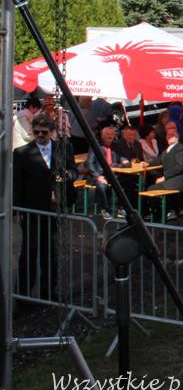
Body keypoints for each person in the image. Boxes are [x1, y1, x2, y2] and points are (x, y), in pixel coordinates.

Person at [13, 113, 78, 301]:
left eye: (44, 132)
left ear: (51, 131)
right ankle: (23, 293)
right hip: (32, 209)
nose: (40, 135)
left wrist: (66, 176)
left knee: (51, 252)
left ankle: (48, 291)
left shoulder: (63, 148)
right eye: (36, 132)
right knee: (29, 251)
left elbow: (74, 172)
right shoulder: (22, 153)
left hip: (55, 208)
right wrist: (16, 210)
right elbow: (16, 183)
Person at [147, 122, 183, 219]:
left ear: (177, 137)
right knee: (150, 186)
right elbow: (159, 160)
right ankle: (160, 212)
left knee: (151, 189)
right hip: (170, 179)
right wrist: (147, 164)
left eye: (172, 135)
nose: (169, 137)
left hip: (177, 180)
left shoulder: (180, 149)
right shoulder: (167, 150)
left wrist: (164, 177)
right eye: (168, 135)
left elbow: (179, 167)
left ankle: (165, 212)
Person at [87, 126, 129, 219]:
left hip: (113, 174)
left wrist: (124, 160)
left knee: (125, 183)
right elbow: (90, 164)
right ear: (102, 135)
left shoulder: (116, 146)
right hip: (99, 174)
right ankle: (105, 209)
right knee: (102, 186)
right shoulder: (96, 146)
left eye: (112, 134)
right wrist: (98, 177)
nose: (110, 136)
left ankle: (121, 208)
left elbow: (121, 156)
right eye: (107, 134)